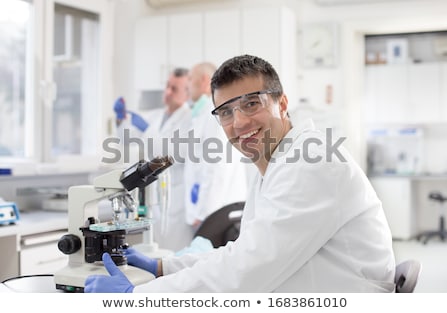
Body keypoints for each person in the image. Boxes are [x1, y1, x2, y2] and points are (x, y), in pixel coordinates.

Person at [85, 54, 396, 292]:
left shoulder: (311, 162)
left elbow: (247, 271)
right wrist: (164, 266)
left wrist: (138, 297)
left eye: (251, 104)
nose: (240, 122)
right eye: (226, 112)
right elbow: (246, 251)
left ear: (282, 103)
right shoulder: (279, 162)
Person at [114, 67, 194, 251]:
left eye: (174, 89)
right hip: (156, 191)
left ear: (187, 93)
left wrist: (147, 132)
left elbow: (173, 154)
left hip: (176, 195)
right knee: (156, 246)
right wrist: (121, 119)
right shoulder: (157, 116)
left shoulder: (189, 119)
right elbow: (126, 138)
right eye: (167, 86)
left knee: (175, 249)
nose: (167, 92)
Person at [183, 62, 248, 230]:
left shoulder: (215, 114)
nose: (186, 85)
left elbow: (216, 168)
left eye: (190, 79)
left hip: (216, 214)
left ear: (204, 81)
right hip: (211, 210)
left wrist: (204, 214)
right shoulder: (201, 115)